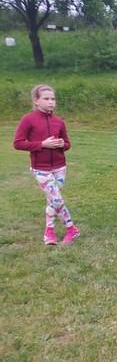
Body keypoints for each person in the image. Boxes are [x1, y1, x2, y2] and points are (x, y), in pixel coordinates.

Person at [13, 85, 80, 245]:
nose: (51, 102)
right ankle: (72, 229)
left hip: (60, 168)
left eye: (53, 99)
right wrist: (42, 144)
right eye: (46, 99)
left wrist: (62, 144)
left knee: (52, 201)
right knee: (57, 200)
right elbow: (18, 143)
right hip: (41, 169)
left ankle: (49, 232)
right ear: (36, 101)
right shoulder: (28, 120)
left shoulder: (59, 122)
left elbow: (67, 144)